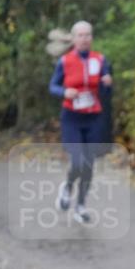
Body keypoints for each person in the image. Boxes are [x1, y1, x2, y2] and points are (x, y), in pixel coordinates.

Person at [49, 21, 113, 224]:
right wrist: (64, 92)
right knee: (78, 161)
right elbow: (52, 86)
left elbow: (106, 93)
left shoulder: (100, 59)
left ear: (92, 38)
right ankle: (67, 188)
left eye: (88, 35)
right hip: (72, 118)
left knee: (89, 165)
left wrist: (107, 84)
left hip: (94, 117)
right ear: (74, 39)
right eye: (81, 35)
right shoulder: (65, 61)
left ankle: (81, 206)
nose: (85, 39)